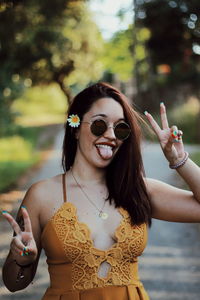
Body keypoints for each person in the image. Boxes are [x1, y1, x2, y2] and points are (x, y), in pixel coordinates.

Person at [2, 82, 200, 300]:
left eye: (121, 128)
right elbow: (12, 284)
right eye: (99, 124)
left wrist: (179, 159)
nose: (111, 135)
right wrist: (21, 259)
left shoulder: (138, 189)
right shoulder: (41, 195)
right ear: (75, 128)